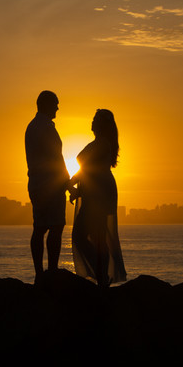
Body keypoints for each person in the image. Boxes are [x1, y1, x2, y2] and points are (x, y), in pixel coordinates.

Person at [69, 109, 126, 288]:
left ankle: (102, 277)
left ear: (101, 124)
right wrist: (74, 185)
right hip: (95, 190)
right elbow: (86, 168)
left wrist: (72, 182)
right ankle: (102, 277)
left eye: (95, 119)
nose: (92, 121)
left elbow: (87, 167)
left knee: (87, 234)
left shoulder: (102, 144)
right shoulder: (99, 143)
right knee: (93, 235)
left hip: (99, 192)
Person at [25, 90, 69, 279]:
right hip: (50, 185)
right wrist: (67, 183)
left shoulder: (32, 127)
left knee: (39, 227)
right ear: (47, 104)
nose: (58, 108)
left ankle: (39, 273)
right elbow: (56, 160)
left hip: (35, 183)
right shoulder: (46, 128)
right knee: (56, 225)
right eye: (56, 104)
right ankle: (51, 271)